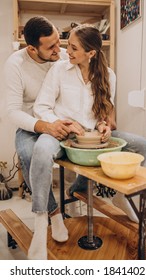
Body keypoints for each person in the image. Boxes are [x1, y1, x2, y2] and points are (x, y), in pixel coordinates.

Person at [34, 24, 146, 226]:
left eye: (73, 48)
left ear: (91, 53)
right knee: (41, 150)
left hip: (91, 136)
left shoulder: (108, 75)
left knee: (142, 145)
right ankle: (42, 214)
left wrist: (104, 125)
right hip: (62, 133)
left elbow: (104, 114)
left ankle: (122, 196)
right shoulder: (59, 70)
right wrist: (63, 124)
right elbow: (41, 107)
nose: (66, 51)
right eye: (68, 45)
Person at [4, 16, 85, 260]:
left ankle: (78, 195)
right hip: (33, 126)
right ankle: (53, 214)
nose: (58, 50)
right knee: (30, 154)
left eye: (58, 42)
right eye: (50, 47)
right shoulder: (15, 64)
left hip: (63, 122)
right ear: (31, 48)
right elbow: (11, 111)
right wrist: (43, 126)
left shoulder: (62, 56)